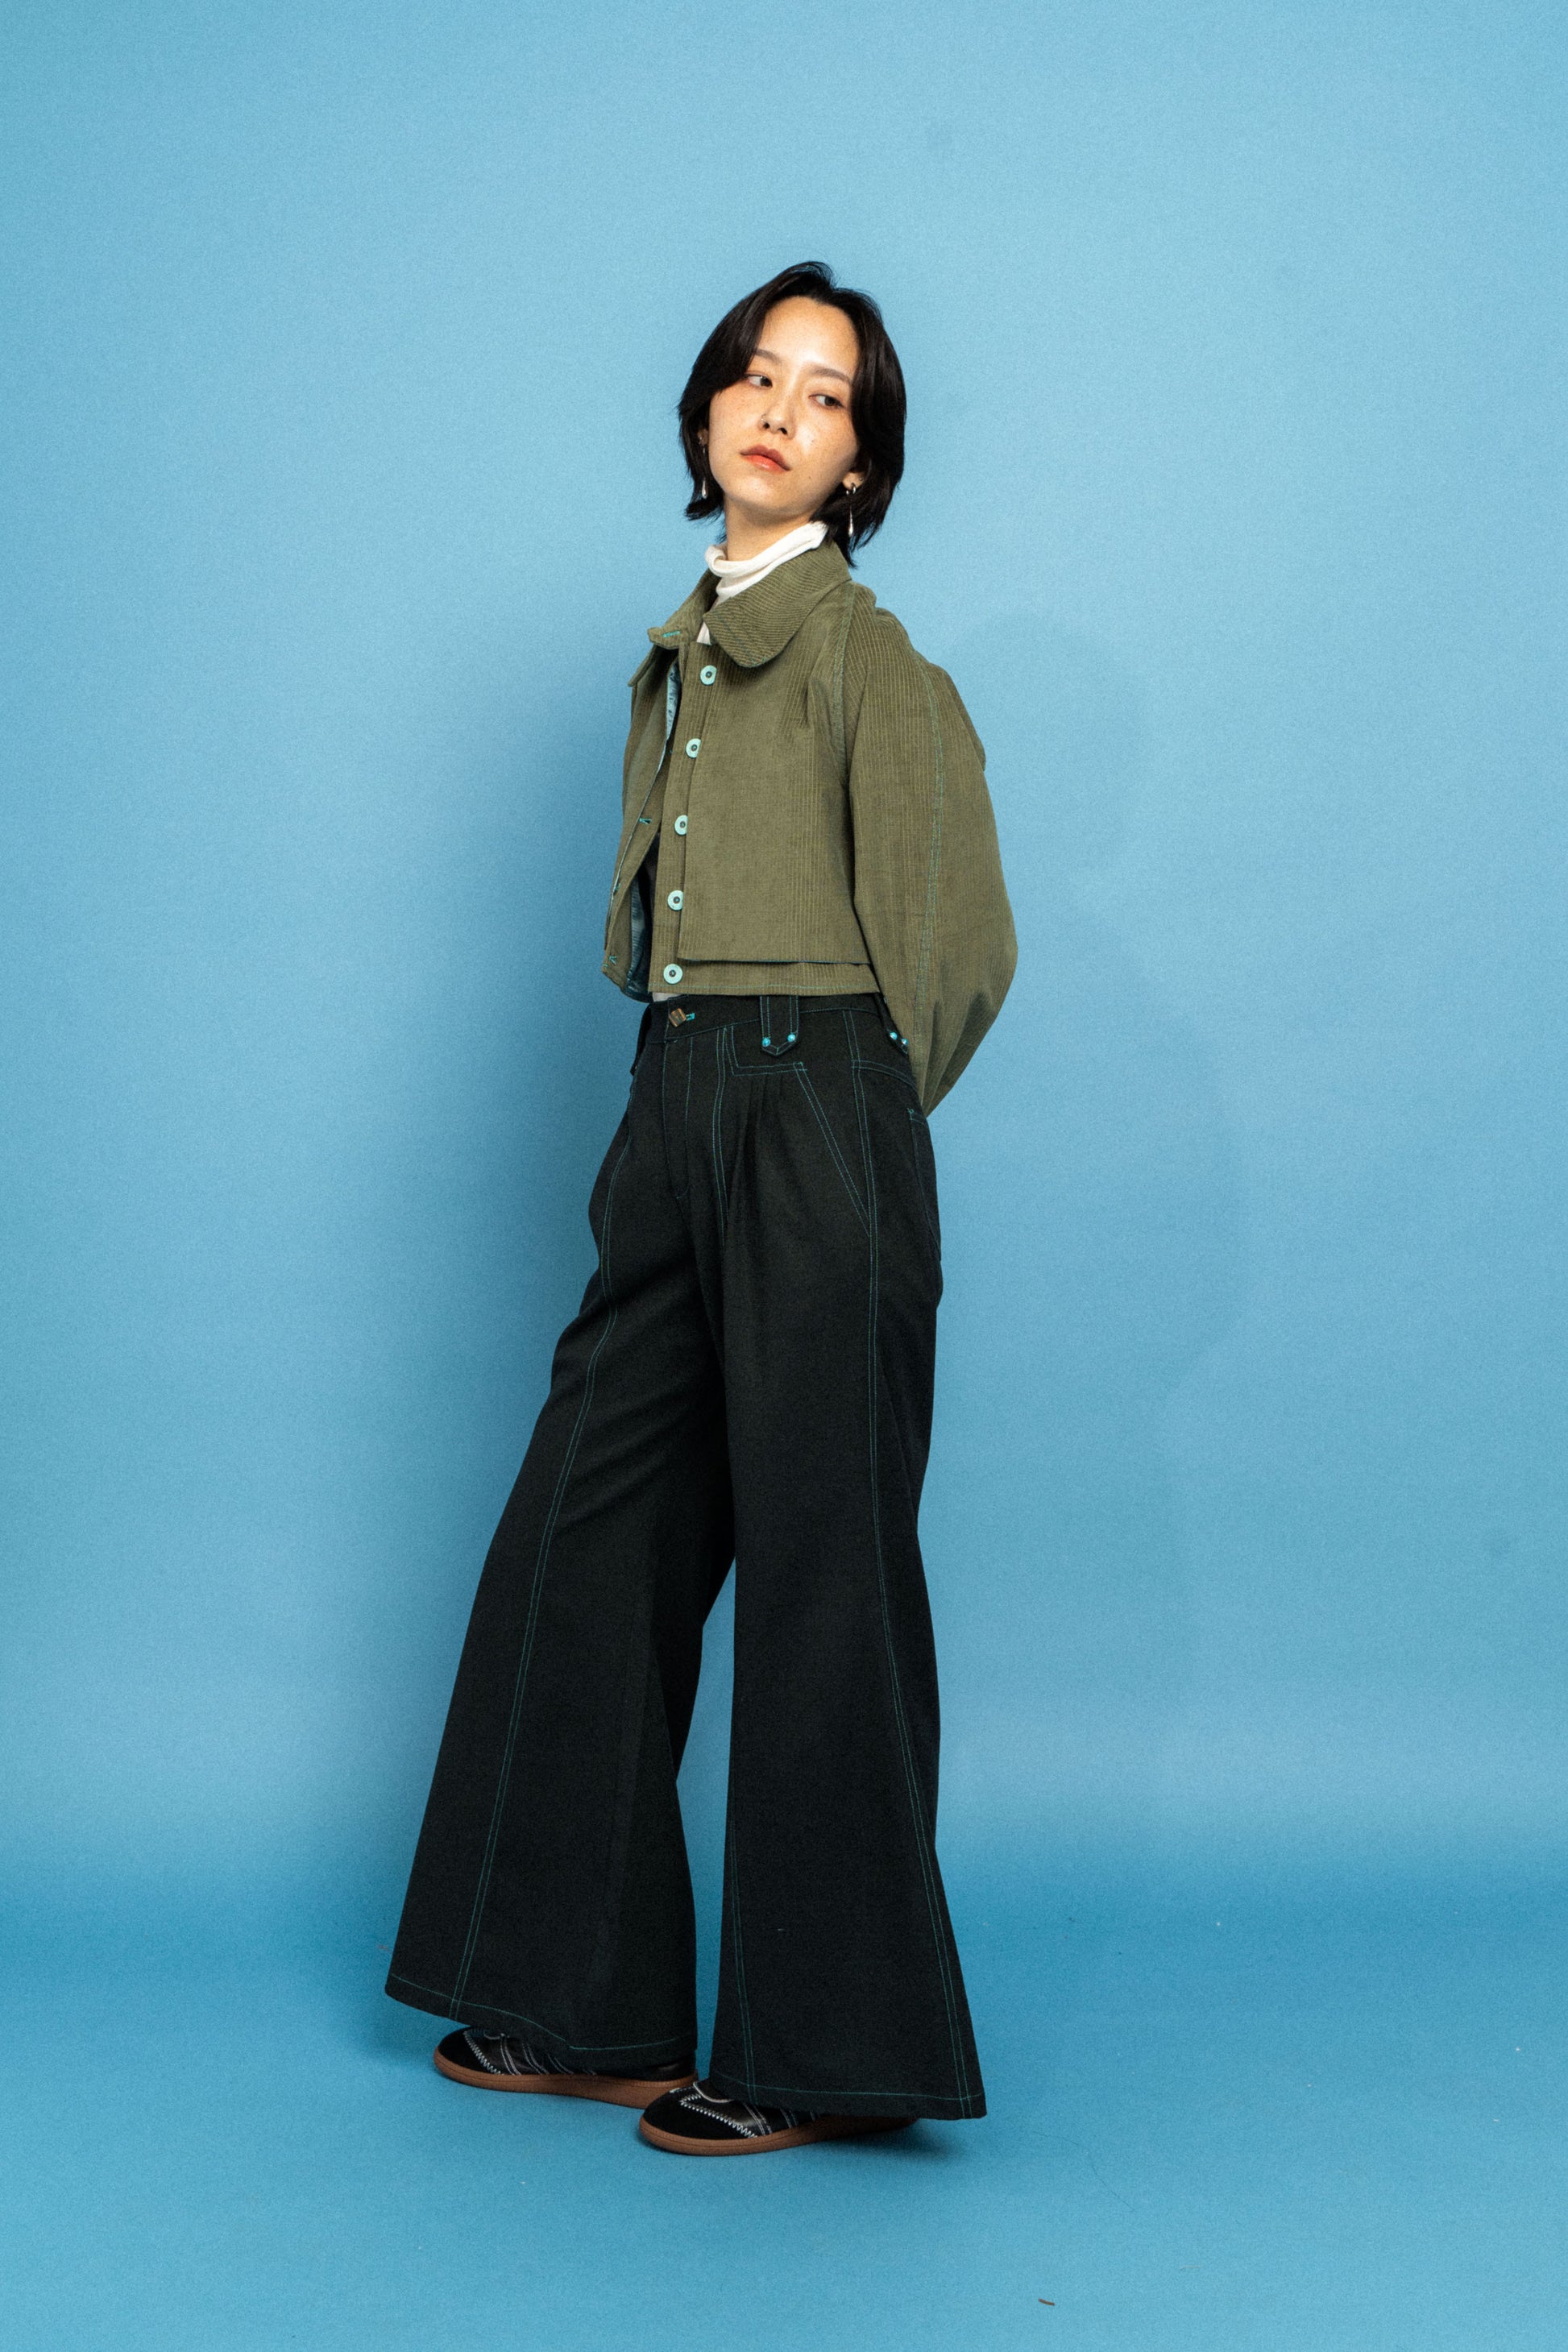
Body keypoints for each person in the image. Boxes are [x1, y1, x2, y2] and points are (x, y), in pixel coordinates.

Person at [385, 261, 1017, 2155]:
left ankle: (825, 2051)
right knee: (588, 1536)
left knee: (824, 1570)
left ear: (858, 466)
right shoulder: (675, 654)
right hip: (670, 1100)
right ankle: (591, 2003)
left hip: (813, 1107)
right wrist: (699, 1102)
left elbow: (956, 957)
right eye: (755, 373)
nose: (777, 408)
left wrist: (827, 1118)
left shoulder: (873, 665)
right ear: (704, 410)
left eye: (824, 395)